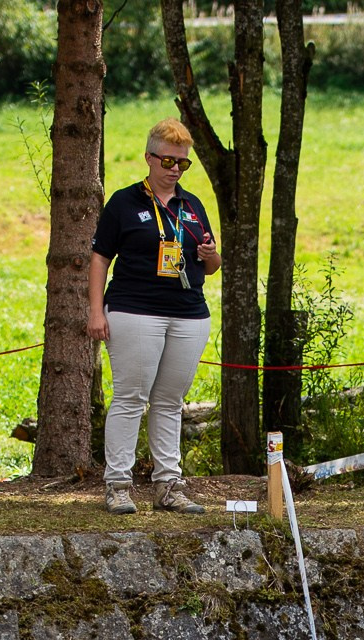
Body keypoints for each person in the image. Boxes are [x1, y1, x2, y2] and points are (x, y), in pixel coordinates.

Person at [88, 118, 221, 515]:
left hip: (188, 313)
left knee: (169, 401)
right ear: (148, 158)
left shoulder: (192, 205)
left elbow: (213, 264)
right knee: (131, 397)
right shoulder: (125, 202)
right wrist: (96, 310)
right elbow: (99, 259)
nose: (174, 169)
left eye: (182, 163)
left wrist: (211, 256)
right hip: (135, 310)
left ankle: (168, 485)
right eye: (167, 161)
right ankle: (118, 485)